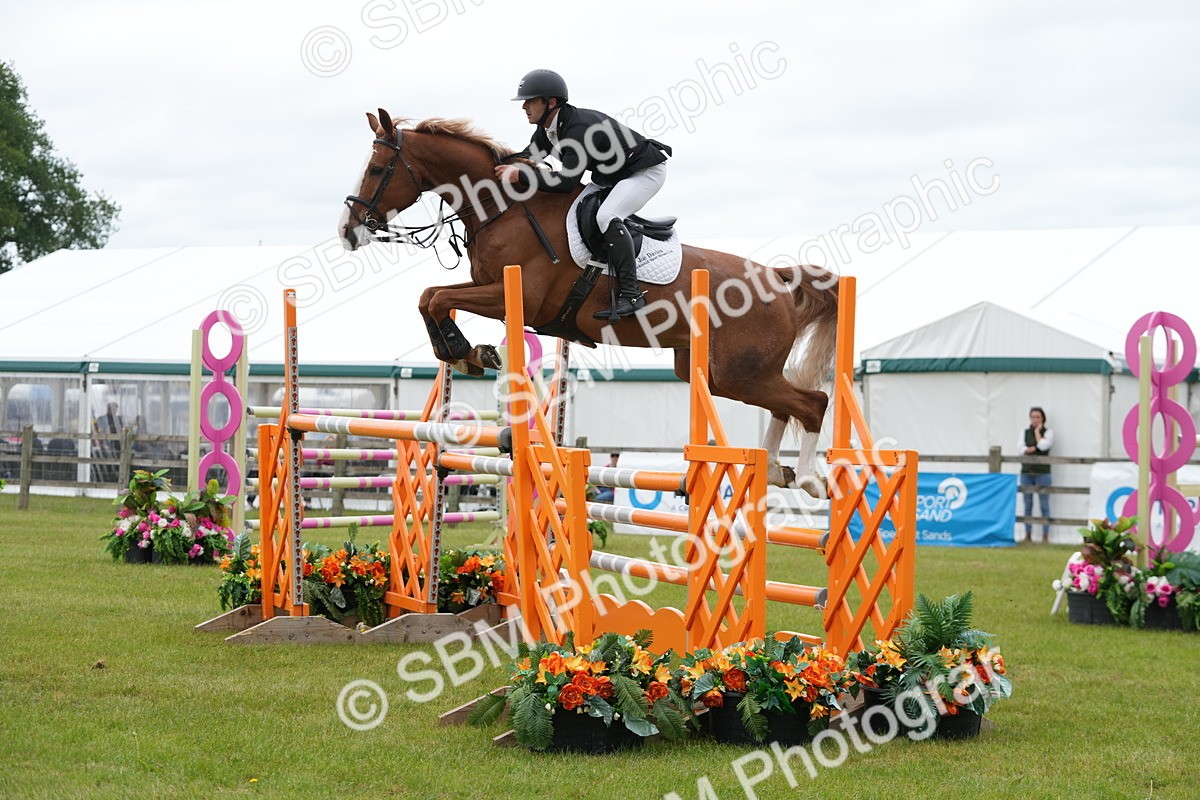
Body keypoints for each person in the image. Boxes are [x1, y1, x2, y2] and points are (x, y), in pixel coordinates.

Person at [495, 69, 672, 320]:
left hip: (644, 172)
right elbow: (526, 158)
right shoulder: (547, 130)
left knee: (607, 216)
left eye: (530, 100)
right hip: (613, 177)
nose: (524, 106)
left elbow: (566, 183)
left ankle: (632, 296)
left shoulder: (577, 129)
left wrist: (520, 176)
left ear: (551, 103)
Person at [1020, 406, 1053, 542]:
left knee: (1044, 504)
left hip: (1042, 472)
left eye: (1038, 417)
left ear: (1042, 418)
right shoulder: (1024, 432)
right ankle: (1028, 534)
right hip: (1027, 471)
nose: (1035, 419)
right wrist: (1031, 448)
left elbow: (1043, 446)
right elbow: (1020, 449)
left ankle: (1045, 535)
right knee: (1027, 504)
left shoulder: (1048, 432)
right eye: (1033, 417)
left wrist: (1038, 433)